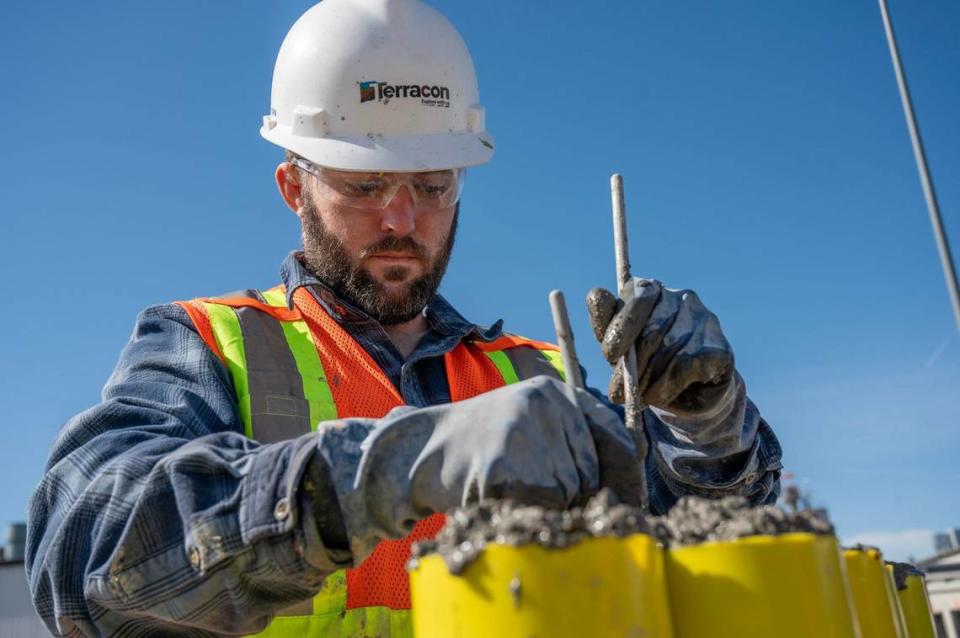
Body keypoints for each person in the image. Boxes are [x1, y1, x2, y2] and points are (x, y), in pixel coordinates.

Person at [26, 0, 782, 636]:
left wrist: (704, 428)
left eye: (432, 183)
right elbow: (85, 552)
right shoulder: (210, 344)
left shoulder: (538, 375)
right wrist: (371, 475)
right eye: (363, 184)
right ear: (294, 186)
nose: (401, 217)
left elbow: (702, 557)